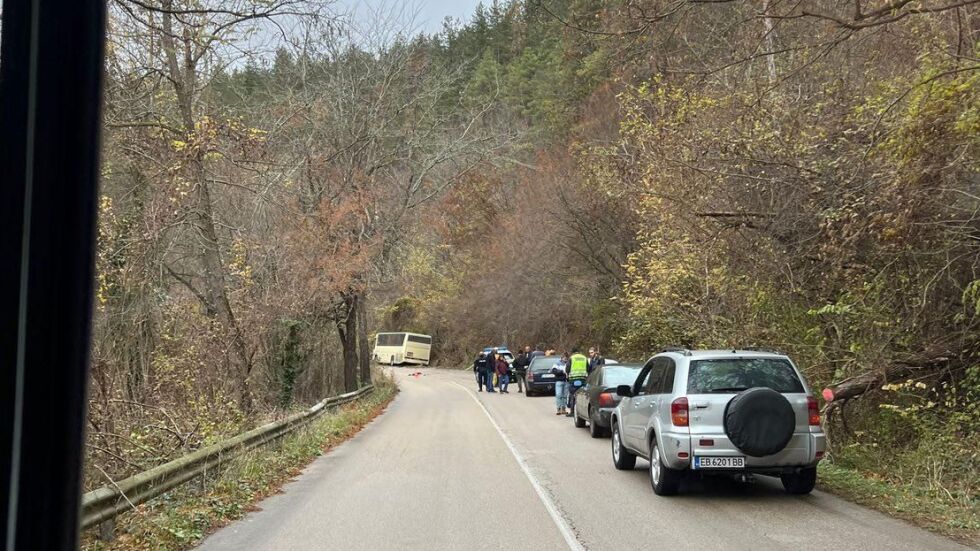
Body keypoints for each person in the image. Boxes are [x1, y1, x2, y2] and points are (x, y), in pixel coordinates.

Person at [566, 348, 589, 417]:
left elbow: (567, 369)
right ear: (579, 352)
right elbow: (588, 368)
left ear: (573, 352)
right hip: (583, 379)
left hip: (573, 379)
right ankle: (582, 412)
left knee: (573, 395)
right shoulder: (584, 358)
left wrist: (568, 375)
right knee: (582, 395)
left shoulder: (571, 358)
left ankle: (573, 412)